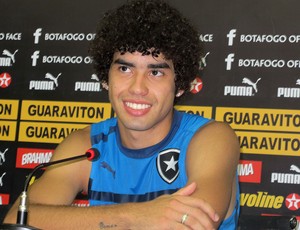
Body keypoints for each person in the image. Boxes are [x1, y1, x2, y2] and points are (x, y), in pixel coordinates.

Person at [4, 0, 240, 229]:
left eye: (156, 72)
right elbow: (19, 220)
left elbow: (194, 223)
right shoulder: (85, 146)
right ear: (106, 79)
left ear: (180, 85)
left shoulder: (210, 138)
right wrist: (135, 216)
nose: (138, 88)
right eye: (125, 69)